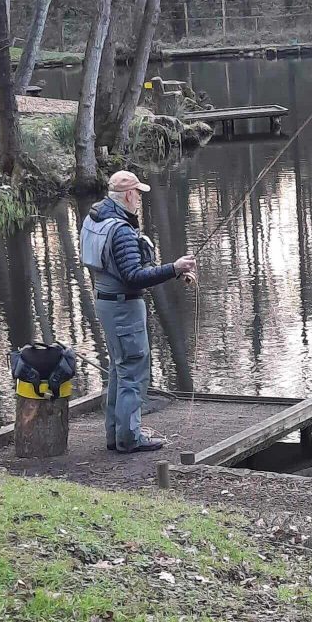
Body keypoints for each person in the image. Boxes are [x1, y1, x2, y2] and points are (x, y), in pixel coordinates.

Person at [79, 170, 196, 453]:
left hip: (106, 302)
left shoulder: (94, 219)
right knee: (133, 372)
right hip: (124, 307)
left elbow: (124, 267)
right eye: (138, 195)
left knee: (120, 371)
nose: (140, 200)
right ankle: (130, 438)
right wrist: (174, 269)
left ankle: (116, 435)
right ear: (129, 195)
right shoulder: (119, 230)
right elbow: (133, 275)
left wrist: (168, 269)